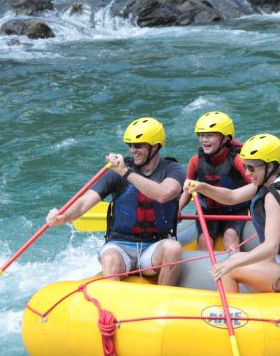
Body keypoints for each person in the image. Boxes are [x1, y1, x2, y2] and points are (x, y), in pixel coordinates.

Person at [46, 117, 185, 286]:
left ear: (155, 146)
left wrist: (126, 173)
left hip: (154, 246)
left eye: (138, 145)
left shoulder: (173, 169)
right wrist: (63, 216)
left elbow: (164, 194)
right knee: (110, 258)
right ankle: (110, 308)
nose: (133, 150)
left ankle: (164, 303)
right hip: (120, 245)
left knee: (173, 248)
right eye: (130, 145)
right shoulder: (117, 172)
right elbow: (84, 202)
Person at [185, 133, 280, 293]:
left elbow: (270, 248)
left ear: (270, 165)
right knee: (236, 258)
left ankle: (234, 315)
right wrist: (202, 187)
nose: (246, 173)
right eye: (245, 166)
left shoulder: (274, 197)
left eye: (251, 168)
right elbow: (232, 197)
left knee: (230, 268)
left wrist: (232, 264)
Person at [177, 111, 251, 251]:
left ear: (225, 138)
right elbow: (188, 190)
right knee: (204, 241)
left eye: (210, 135)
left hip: (235, 210)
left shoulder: (238, 160)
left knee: (230, 237)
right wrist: (178, 209)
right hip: (207, 211)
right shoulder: (195, 162)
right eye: (201, 135)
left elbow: (257, 186)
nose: (204, 140)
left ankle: (234, 268)